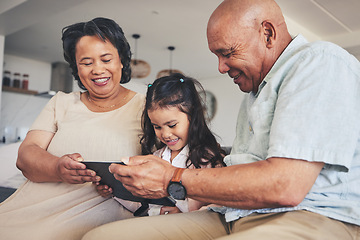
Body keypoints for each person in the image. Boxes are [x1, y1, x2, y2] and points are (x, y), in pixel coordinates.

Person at [82, 0, 360, 239]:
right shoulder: (255, 92)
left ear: (268, 33)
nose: (221, 67)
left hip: (309, 215)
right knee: (100, 236)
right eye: (217, 56)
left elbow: (285, 185)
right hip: (229, 214)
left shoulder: (319, 61)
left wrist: (172, 178)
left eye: (227, 53)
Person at [0, 17, 145, 240]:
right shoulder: (61, 103)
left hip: (94, 216)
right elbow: (26, 156)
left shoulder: (147, 106)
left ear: (121, 61)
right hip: (29, 208)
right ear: (77, 68)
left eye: (106, 59)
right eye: (87, 63)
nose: (98, 69)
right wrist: (57, 167)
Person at [96, 73, 225, 216]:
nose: (165, 134)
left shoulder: (206, 158)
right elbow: (142, 205)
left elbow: (216, 203)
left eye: (172, 125)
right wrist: (115, 191)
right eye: (157, 127)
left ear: (192, 116)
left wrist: (182, 211)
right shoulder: (155, 158)